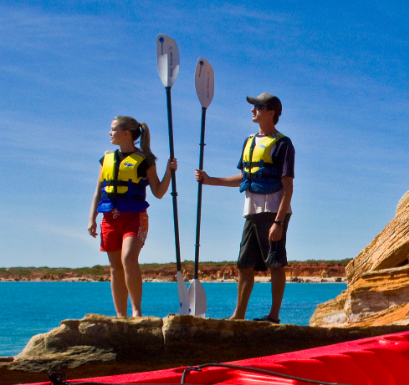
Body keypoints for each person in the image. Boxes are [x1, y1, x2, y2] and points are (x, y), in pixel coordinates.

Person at [194, 93, 294, 322]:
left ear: (271, 112)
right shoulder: (249, 141)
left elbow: (288, 186)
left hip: (273, 211)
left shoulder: (282, 144)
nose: (253, 110)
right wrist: (211, 180)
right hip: (251, 210)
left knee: (275, 263)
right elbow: (244, 177)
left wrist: (278, 222)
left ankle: (274, 316)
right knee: (244, 264)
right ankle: (238, 316)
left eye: (258, 106)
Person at [88, 116, 177, 317]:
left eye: (113, 129)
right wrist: (92, 218)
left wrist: (169, 172)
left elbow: (158, 191)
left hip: (134, 217)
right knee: (115, 267)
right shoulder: (107, 159)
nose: (110, 133)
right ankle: (121, 315)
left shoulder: (145, 160)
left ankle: (137, 311)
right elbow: (98, 191)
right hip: (109, 218)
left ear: (126, 133)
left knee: (128, 258)